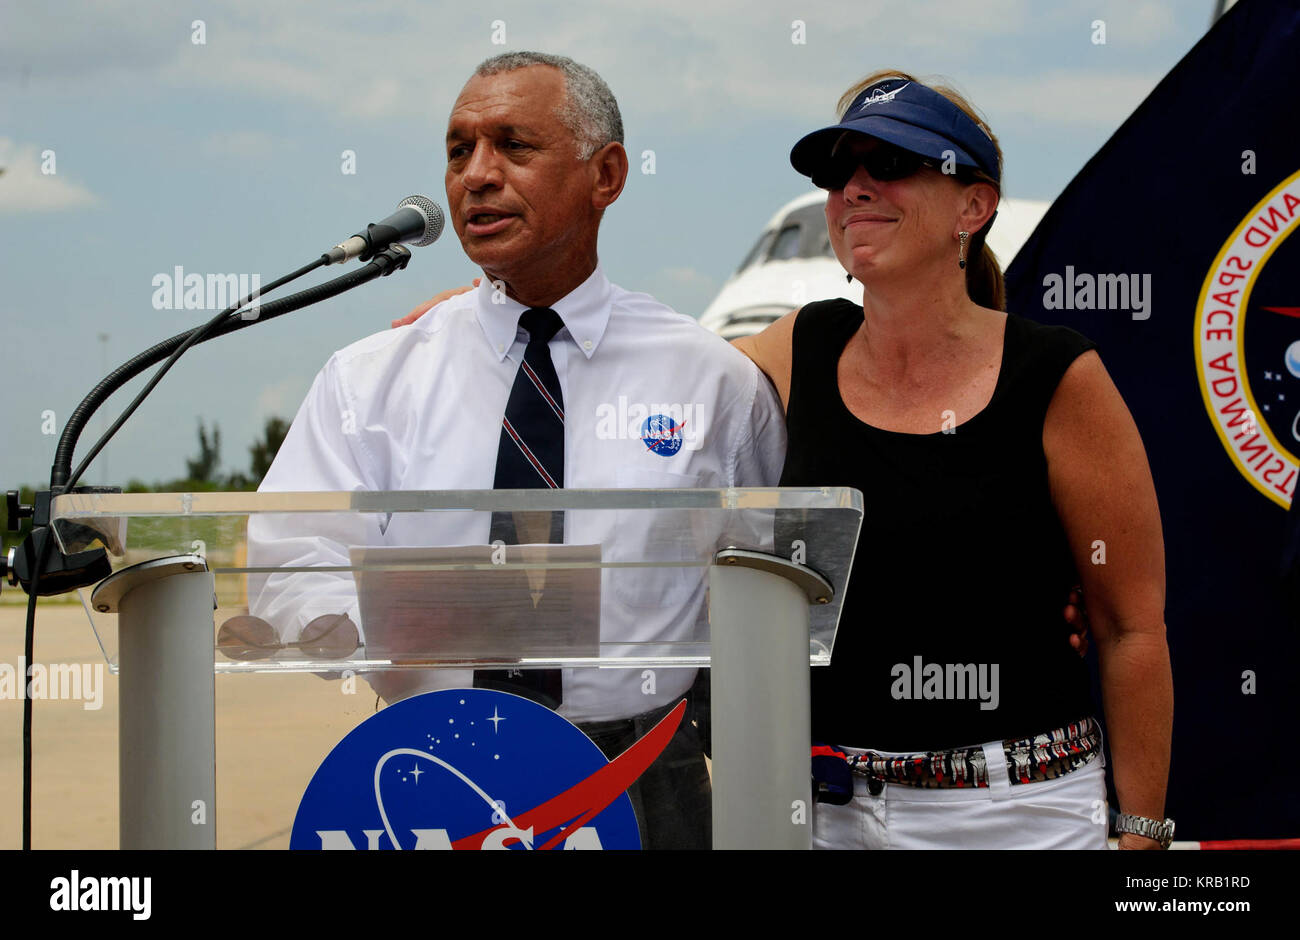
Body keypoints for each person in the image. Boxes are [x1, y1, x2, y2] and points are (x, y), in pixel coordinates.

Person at [247, 51, 787, 849]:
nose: (476, 175)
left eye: (513, 146)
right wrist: (346, 619)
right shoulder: (370, 378)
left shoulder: (711, 380)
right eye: (459, 149)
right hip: (429, 768)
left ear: (605, 175)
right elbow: (292, 554)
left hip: (639, 771)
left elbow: (766, 583)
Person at [730, 72, 1174, 849]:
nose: (856, 187)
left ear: (974, 205)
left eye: (891, 163)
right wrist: (464, 316)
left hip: (1022, 817)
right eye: (840, 172)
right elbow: (655, 381)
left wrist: (1141, 838)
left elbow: (1130, 626)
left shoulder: (1056, 374)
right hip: (826, 818)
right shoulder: (803, 343)